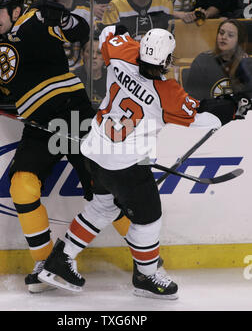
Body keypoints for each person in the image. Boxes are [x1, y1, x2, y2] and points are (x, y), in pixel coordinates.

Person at [37, 25, 250, 299]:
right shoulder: (167, 92)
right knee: (149, 217)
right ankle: (147, 276)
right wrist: (234, 107)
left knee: (102, 207)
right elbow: (202, 116)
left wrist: (121, 30)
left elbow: (108, 33)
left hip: (95, 151)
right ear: (167, 60)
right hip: (127, 164)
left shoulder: (122, 51)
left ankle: (60, 260)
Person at [0, 0, 133, 294]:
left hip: (75, 115)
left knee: (105, 191)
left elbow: (80, 32)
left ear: (15, 11)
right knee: (22, 186)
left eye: (0, 11)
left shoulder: (37, 19)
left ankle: (147, 263)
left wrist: (64, 20)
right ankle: (46, 265)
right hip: (39, 125)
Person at [186, 18, 250, 99]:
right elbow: (194, 97)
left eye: (230, 35)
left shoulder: (245, 64)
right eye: (221, 33)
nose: (224, 37)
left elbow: (248, 97)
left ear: (239, 41)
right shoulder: (202, 61)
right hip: (208, 110)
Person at [74, 36, 107, 109]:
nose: (94, 56)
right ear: (82, 54)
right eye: (90, 52)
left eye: (99, 53)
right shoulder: (73, 79)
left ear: (105, 57)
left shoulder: (111, 80)